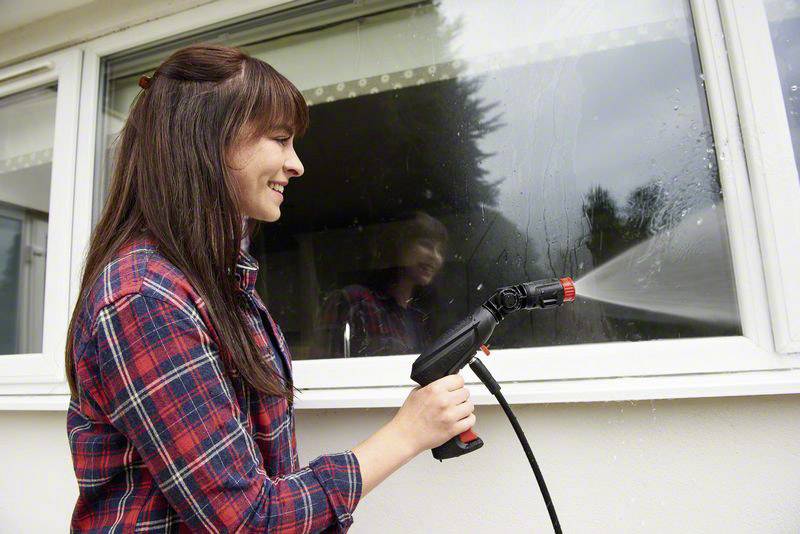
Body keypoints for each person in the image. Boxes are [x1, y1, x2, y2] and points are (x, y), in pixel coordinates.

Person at [65, 44, 475, 532]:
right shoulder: (145, 298)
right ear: (205, 141)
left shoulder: (219, 285)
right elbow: (248, 520)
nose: (297, 164)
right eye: (279, 139)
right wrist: (408, 433)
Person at [316, 212, 447, 358]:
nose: (435, 256)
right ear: (400, 246)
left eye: (440, 251)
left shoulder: (420, 318)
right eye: (426, 245)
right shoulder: (353, 301)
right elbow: (324, 373)